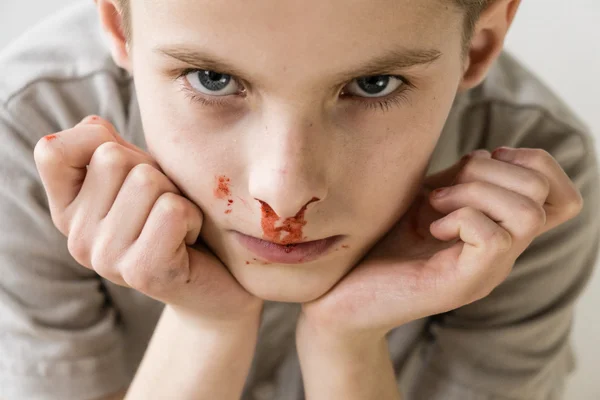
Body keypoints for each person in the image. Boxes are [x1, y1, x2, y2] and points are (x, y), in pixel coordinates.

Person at [0, 0, 598, 398]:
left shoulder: (527, 191)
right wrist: (207, 323)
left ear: (480, 45)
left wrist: (347, 344)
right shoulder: (29, 131)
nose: (283, 195)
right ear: (117, 25)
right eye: (213, 80)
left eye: (373, 84)